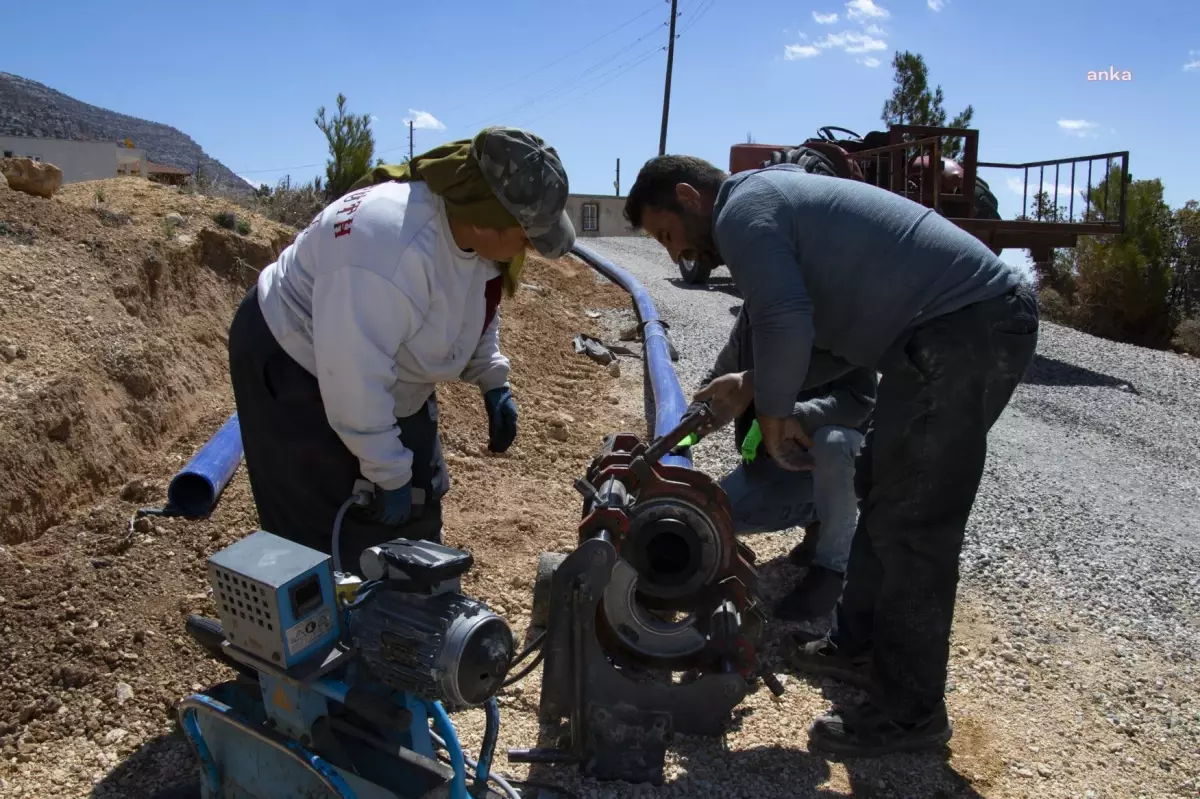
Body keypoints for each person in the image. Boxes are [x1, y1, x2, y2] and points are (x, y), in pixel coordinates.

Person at [623, 155, 1038, 757]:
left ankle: (910, 713)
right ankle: (859, 645)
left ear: (689, 197)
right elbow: (827, 336)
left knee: (914, 523)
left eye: (667, 234)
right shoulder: (765, 207)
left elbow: (786, 318)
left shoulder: (744, 211)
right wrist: (745, 385)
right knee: (883, 490)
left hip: (969, 328)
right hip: (936, 336)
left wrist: (771, 411)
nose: (674, 253)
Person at [228, 126, 574, 572]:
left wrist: (492, 378)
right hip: (300, 359)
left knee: (421, 495)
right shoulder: (387, 247)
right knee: (336, 524)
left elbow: (477, 303)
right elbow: (352, 378)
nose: (528, 248)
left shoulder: (476, 235)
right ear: (486, 216)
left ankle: (415, 611)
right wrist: (386, 473)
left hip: (377, 364)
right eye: (526, 235)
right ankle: (331, 631)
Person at [695, 304, 877, 621]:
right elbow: (719, 377)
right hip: (773, 465)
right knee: (711, 522)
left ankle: (832, 569)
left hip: (824, 464)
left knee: (834, 443)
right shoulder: (754, 314)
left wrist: (799, 417)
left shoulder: (839, 308)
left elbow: (862, 399)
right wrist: (685, 429)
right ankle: (817, 519)